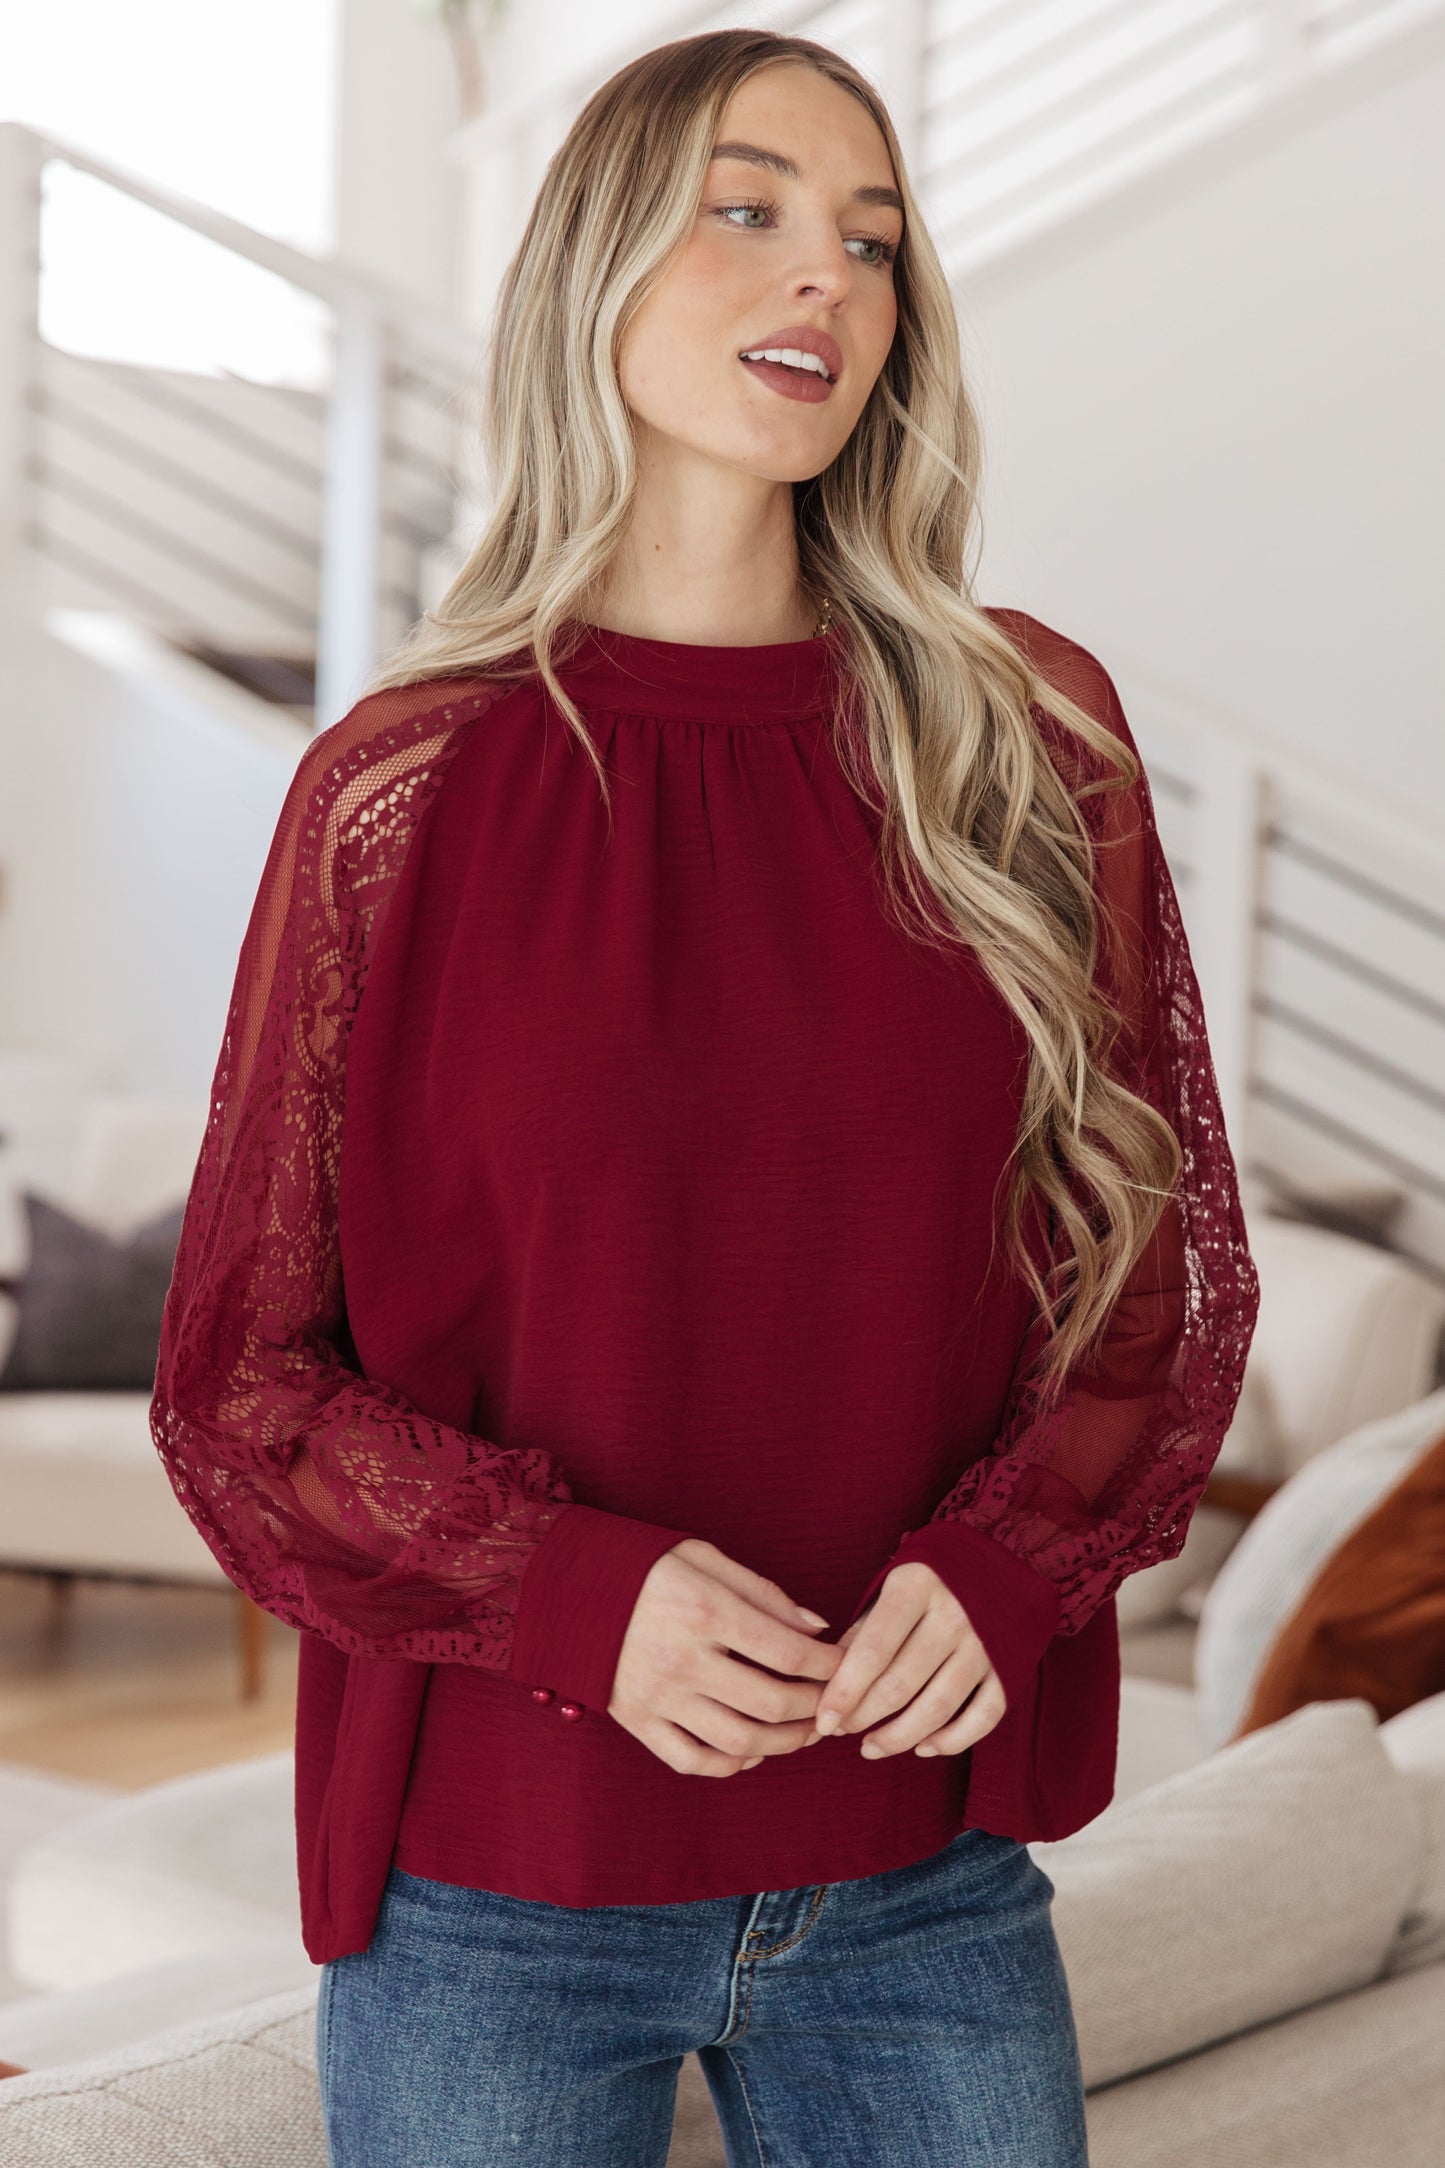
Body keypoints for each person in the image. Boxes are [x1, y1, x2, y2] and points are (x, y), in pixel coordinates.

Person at [150, 27, 1260, 2166]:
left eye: (872, 237)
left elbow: (1154, 1272)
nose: (827, 280)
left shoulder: (1030, 742)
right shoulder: (405, 793)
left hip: (922, 1888)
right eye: (748, 210)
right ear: (593, 269)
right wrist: (581, 1593)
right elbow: (243, 1381)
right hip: (495, 1895)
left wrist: (1015, 1565)